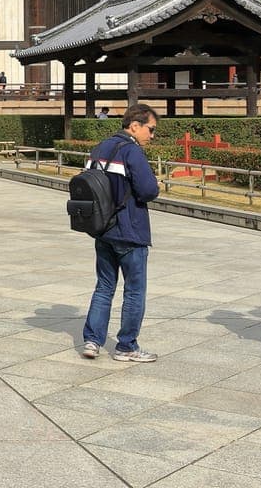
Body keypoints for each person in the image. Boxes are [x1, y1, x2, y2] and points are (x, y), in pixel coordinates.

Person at [80, 104, 161, 363]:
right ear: (134, 126)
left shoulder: (100, 148)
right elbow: (148, 190)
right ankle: (127, 346)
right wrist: (155, 184)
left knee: (104, 286)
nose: (152, 135)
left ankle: (92, 340)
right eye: (150, 129)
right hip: (129, 230)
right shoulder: (132, 152)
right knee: (134, 290)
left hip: (102, 229)